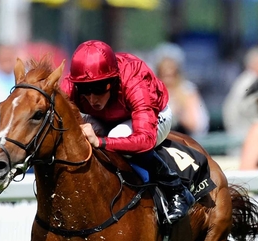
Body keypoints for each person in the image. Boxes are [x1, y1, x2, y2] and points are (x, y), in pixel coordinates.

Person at [59, 40, 194, 223]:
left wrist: (101, 142)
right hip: (106, 118)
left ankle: (176, 189)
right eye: (85, 90)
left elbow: (145, 140)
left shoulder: (134, 80)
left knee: (116, 135)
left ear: (113, 80)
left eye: (99, 88)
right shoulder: (72, 85)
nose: (92, 98)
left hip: (155, 117)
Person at [153, 43, 210, 138]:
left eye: (172, 74)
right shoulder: (151, 91)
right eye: (164, 74)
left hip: (183, 142)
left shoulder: (187, 90)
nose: (168, 78)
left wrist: (179, 112)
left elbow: (198, 125)